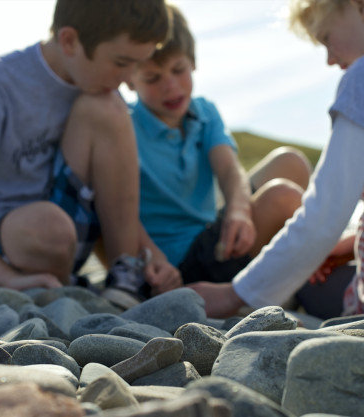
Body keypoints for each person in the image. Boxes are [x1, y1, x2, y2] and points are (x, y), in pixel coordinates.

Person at [0, 0, 181, 309]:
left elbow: (109, 197)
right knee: (49, 227)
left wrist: (149, 254)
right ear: (70, 41)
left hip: (63, 230)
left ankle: (126, 279)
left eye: (137, 65)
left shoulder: (98, 90)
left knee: (108, 108)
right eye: (121, 62)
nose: (129, 80)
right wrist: (3, 276)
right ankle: (60, 294)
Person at [187, 0, 364, 319]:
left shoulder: (359, 79)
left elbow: (323, 216)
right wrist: (351, 243)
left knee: (308, 286)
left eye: (326, 38)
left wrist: (234, 293)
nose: (330, 59)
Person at [127, 4, 312, 288]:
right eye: (153, 78)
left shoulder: (204, 112)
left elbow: (228, 169)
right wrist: (153, 260)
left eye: (179, 69)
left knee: (291, 162)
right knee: (282, 198)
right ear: (130, 78)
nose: (170, 85)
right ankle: (300, 282)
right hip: (177, 264)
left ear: (193, 62)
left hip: (214, 235)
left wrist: (239, 210)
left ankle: (289, 274)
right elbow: (117, 210)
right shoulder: (124, 127)